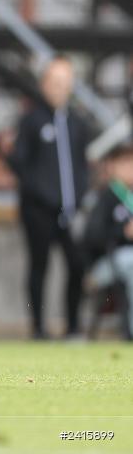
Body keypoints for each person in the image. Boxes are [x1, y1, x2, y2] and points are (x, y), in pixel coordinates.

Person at [7, 57, 91, 339]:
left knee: (77, 264)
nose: (59, 89)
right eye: (54, 82)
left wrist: (79, 196)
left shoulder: (78, 123)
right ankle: (38, 327)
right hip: (38, 210)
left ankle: (74, 326)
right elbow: (18, 161)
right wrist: (42, 192)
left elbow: (81, 165)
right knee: (39, 266)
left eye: (65, 83)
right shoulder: (32, 121)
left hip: (70, 211)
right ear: (44, 84)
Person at [81, 144, 133, 340]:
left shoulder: (130, 197)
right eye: (125, 163)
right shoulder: (106, 197)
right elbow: (92, 236)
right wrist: (123, 232)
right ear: (111, 167)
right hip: (104, 264)